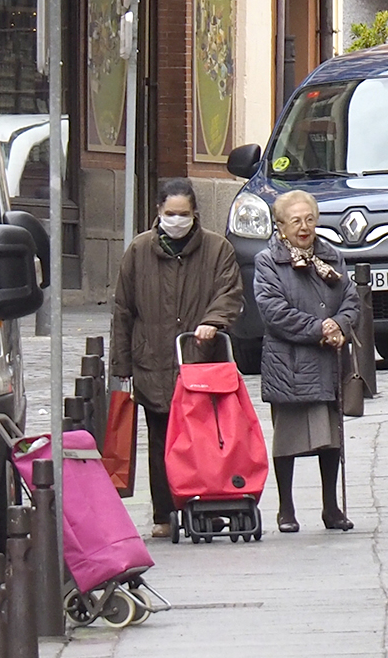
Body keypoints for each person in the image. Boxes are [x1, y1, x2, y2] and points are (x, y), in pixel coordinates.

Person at [110, 178, 243, 538]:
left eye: (183, 214)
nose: (177, 220)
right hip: (152, 360)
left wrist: (213, 322)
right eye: (171, 213)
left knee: (204, 441)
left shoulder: (217, 249)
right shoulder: (139, 251)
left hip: (200, 363)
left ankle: (207, 506)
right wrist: (121, 368)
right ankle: (164, 512)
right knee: (160, 441)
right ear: (158, 212)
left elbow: (229, 293)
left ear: (194, 212)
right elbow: (123, 311)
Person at [253, 190, 360, 534]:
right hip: (290, 362)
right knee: (287, 438)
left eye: (310, 219)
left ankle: (331, 507)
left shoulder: (331, 257)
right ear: (281, 226)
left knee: (331, 438)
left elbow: (351, 300)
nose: (304, 227)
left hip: (328, 358)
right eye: (296, 220)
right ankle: (286, 508)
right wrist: (319, 328)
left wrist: (341, 325)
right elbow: (273, 312)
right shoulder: (269, 261)